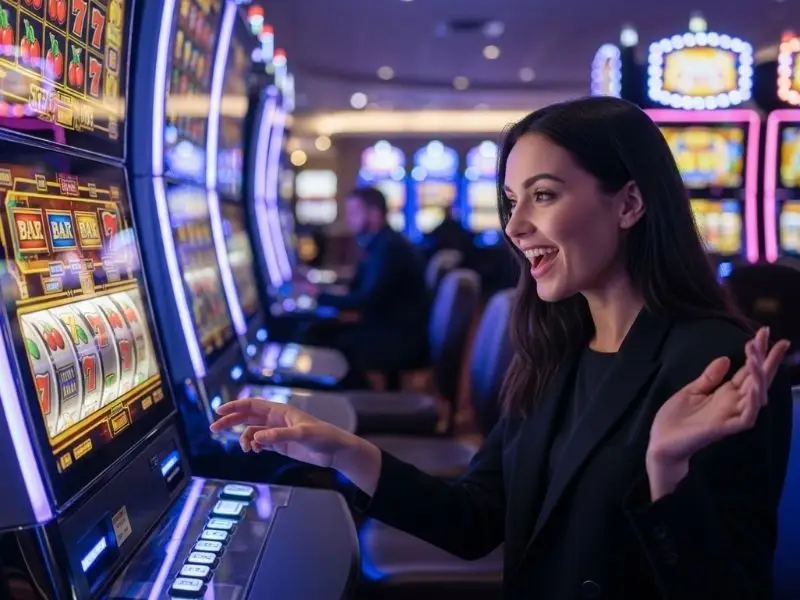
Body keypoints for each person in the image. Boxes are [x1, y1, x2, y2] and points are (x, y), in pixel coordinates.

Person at [210, 97, 793, 599]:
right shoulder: (559, 346)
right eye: (512, 201)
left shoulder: (714, 362)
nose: (514, 227)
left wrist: (665, 471)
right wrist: (339, 450)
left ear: (629, 204)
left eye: (543, 195)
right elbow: (475, 519)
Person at [304, 186, 430, 387]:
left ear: (374, 213)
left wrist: (318, 296)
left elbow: (365, 300)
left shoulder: (388, 248)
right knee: (321, 330)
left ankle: (357, 404)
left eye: (355, 212)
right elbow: (362, 288)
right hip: (392, 328)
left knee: (317, 336)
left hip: (398, 339)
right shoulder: (383, 242)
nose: (350, 220)